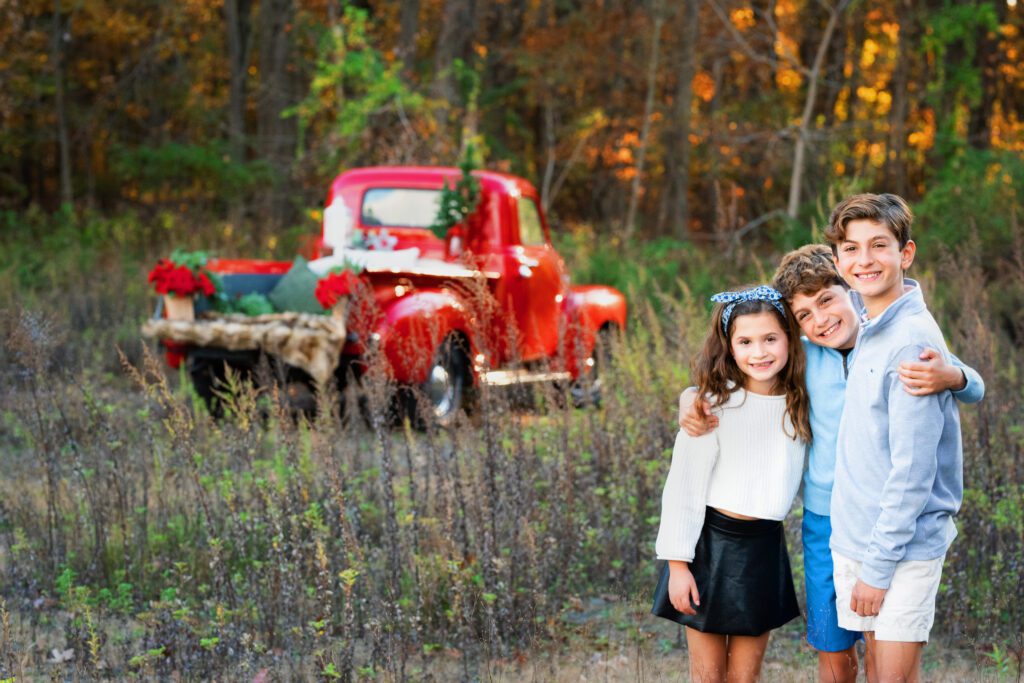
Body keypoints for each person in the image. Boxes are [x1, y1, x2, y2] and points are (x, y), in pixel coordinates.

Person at [678, 244, 984, 682]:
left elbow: (972, 384)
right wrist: (689, 398)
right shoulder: (799, 358)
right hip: (824, 522)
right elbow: (736, 381)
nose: (820, 320)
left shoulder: (889, 342)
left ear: (851, 290)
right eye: (804, 314)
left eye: (827, 300)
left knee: (882, 648)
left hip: (883, 517)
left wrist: (956, 377)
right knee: (834, 650)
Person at [826, 193, 965, 682]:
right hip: (859, 538)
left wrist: (877, 569)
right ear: (838, 260)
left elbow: (913, 472)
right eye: (850, 248)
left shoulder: (909, 340)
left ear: (905, 254)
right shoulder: (869, 322)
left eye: (878, 246)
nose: (864, 260)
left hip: (898, 550)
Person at [655, 285, 811, 683]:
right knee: (708, 676)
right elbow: (684, 488)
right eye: (745, 341)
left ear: (790, 340)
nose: (759, 352)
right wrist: (678, 566)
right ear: (729, 346)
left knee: (745, 676)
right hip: (710, 546)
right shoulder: (712, 406)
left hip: (763, 547)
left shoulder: (801, 403)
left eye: (770, 338)